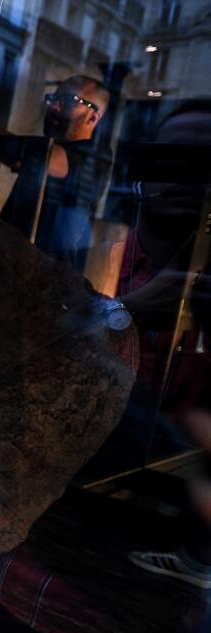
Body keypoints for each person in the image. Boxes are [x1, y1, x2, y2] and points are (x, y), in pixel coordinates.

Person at [116, 100, 211, 591]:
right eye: (173, 160)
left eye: (203, 162)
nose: (186, 177)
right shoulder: (97, 250)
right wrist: (122, 312)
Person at [0, 75, 112, 272]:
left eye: (69, 101)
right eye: (54, 99)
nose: (55, 107)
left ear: (93, 117)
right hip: (14, 262)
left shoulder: (95, 155)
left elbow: (38, 155)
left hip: (50, 277)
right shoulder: (52, 152)